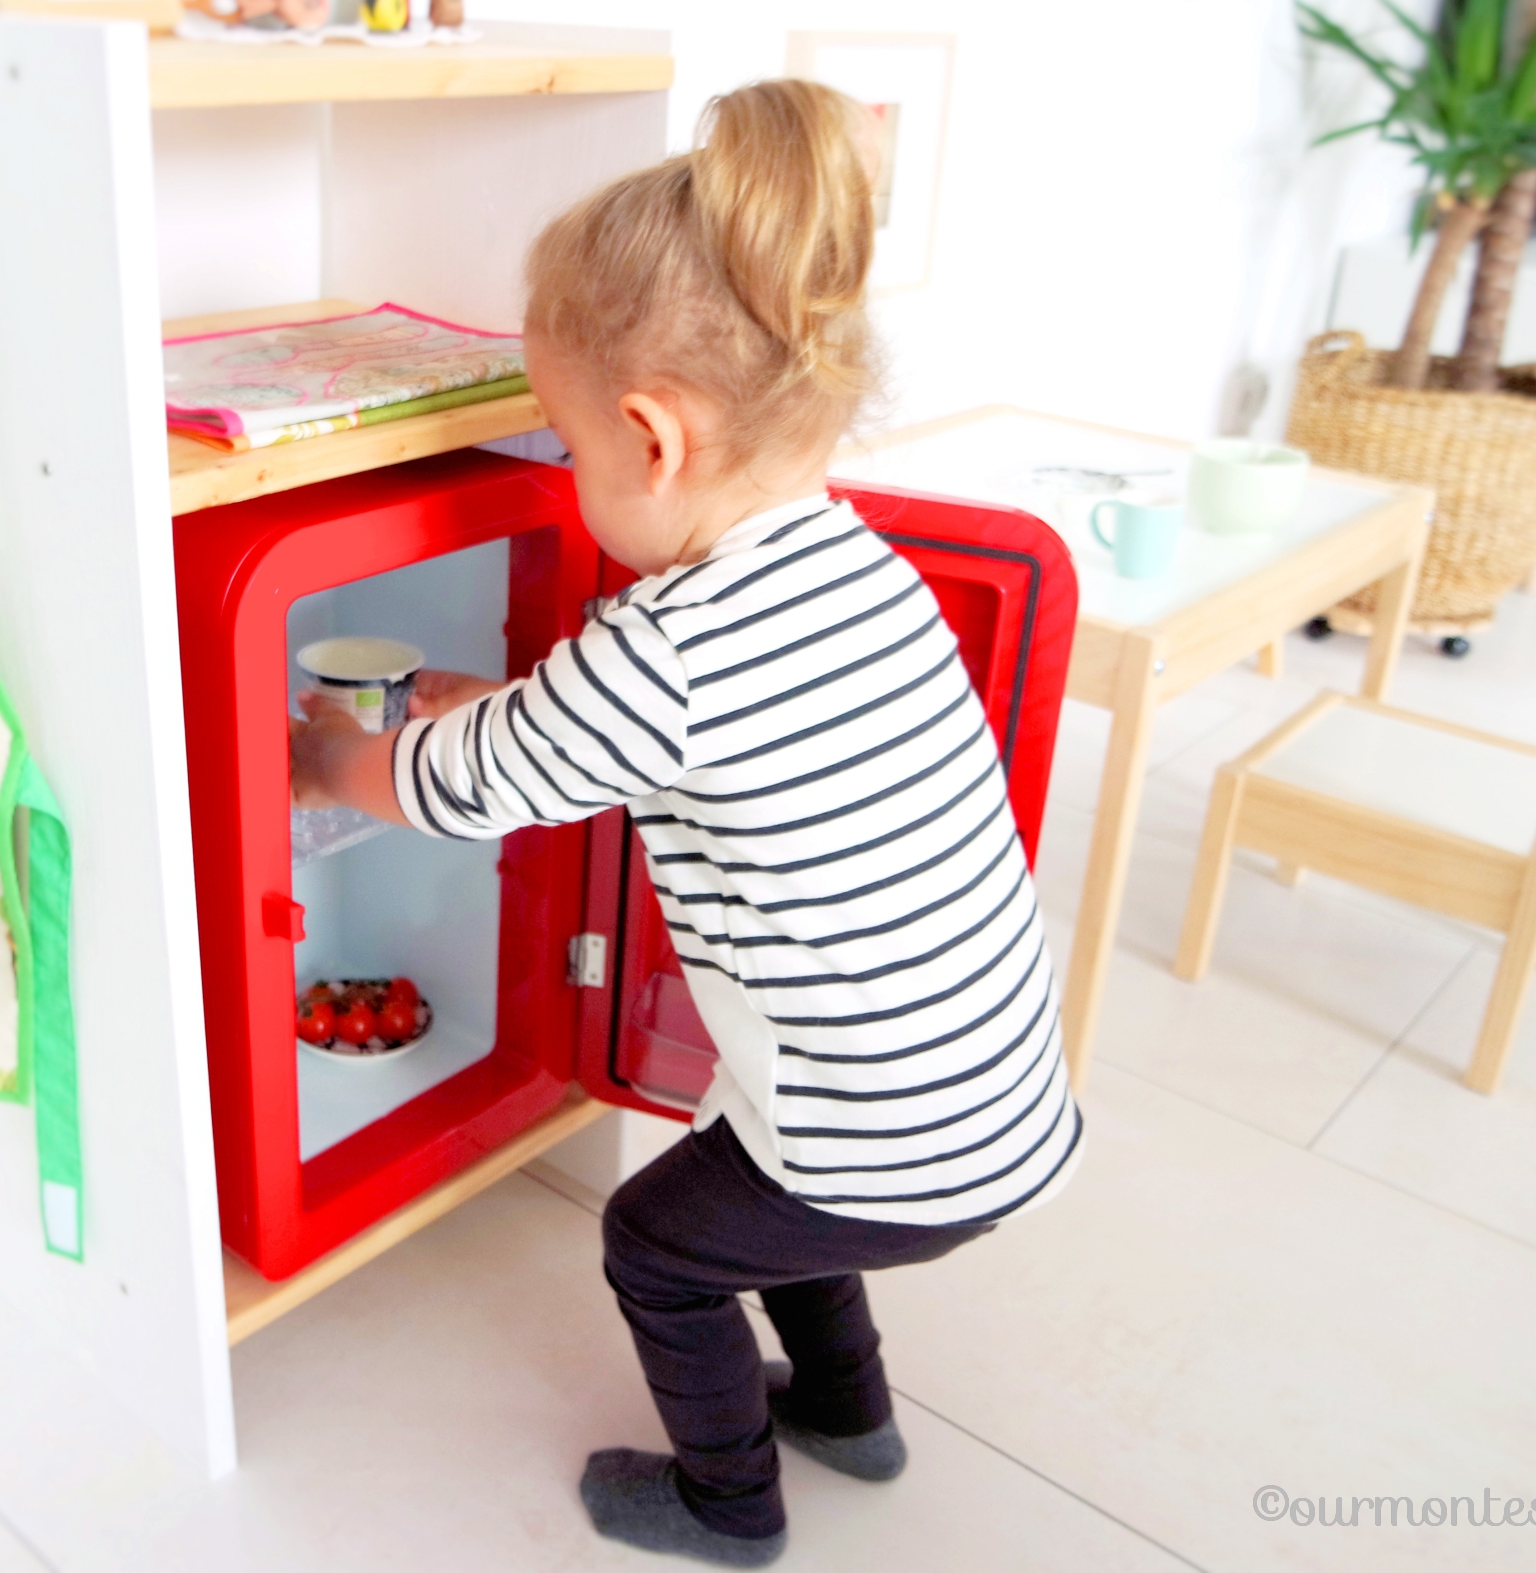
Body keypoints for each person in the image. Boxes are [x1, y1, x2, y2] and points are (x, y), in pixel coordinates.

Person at [288, 78, 1082, 1568]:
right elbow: (589, 728)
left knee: (661, 1241)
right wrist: (494, 691)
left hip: (876, 1142)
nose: (577, 480)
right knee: (767, 1176)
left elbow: (468, 783)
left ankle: (729, 1503)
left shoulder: (670, 648)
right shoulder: (854, 565)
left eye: (572, 452)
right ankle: (849, 1413)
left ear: (651, 440)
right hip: (992, 1108)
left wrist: (327, 762)